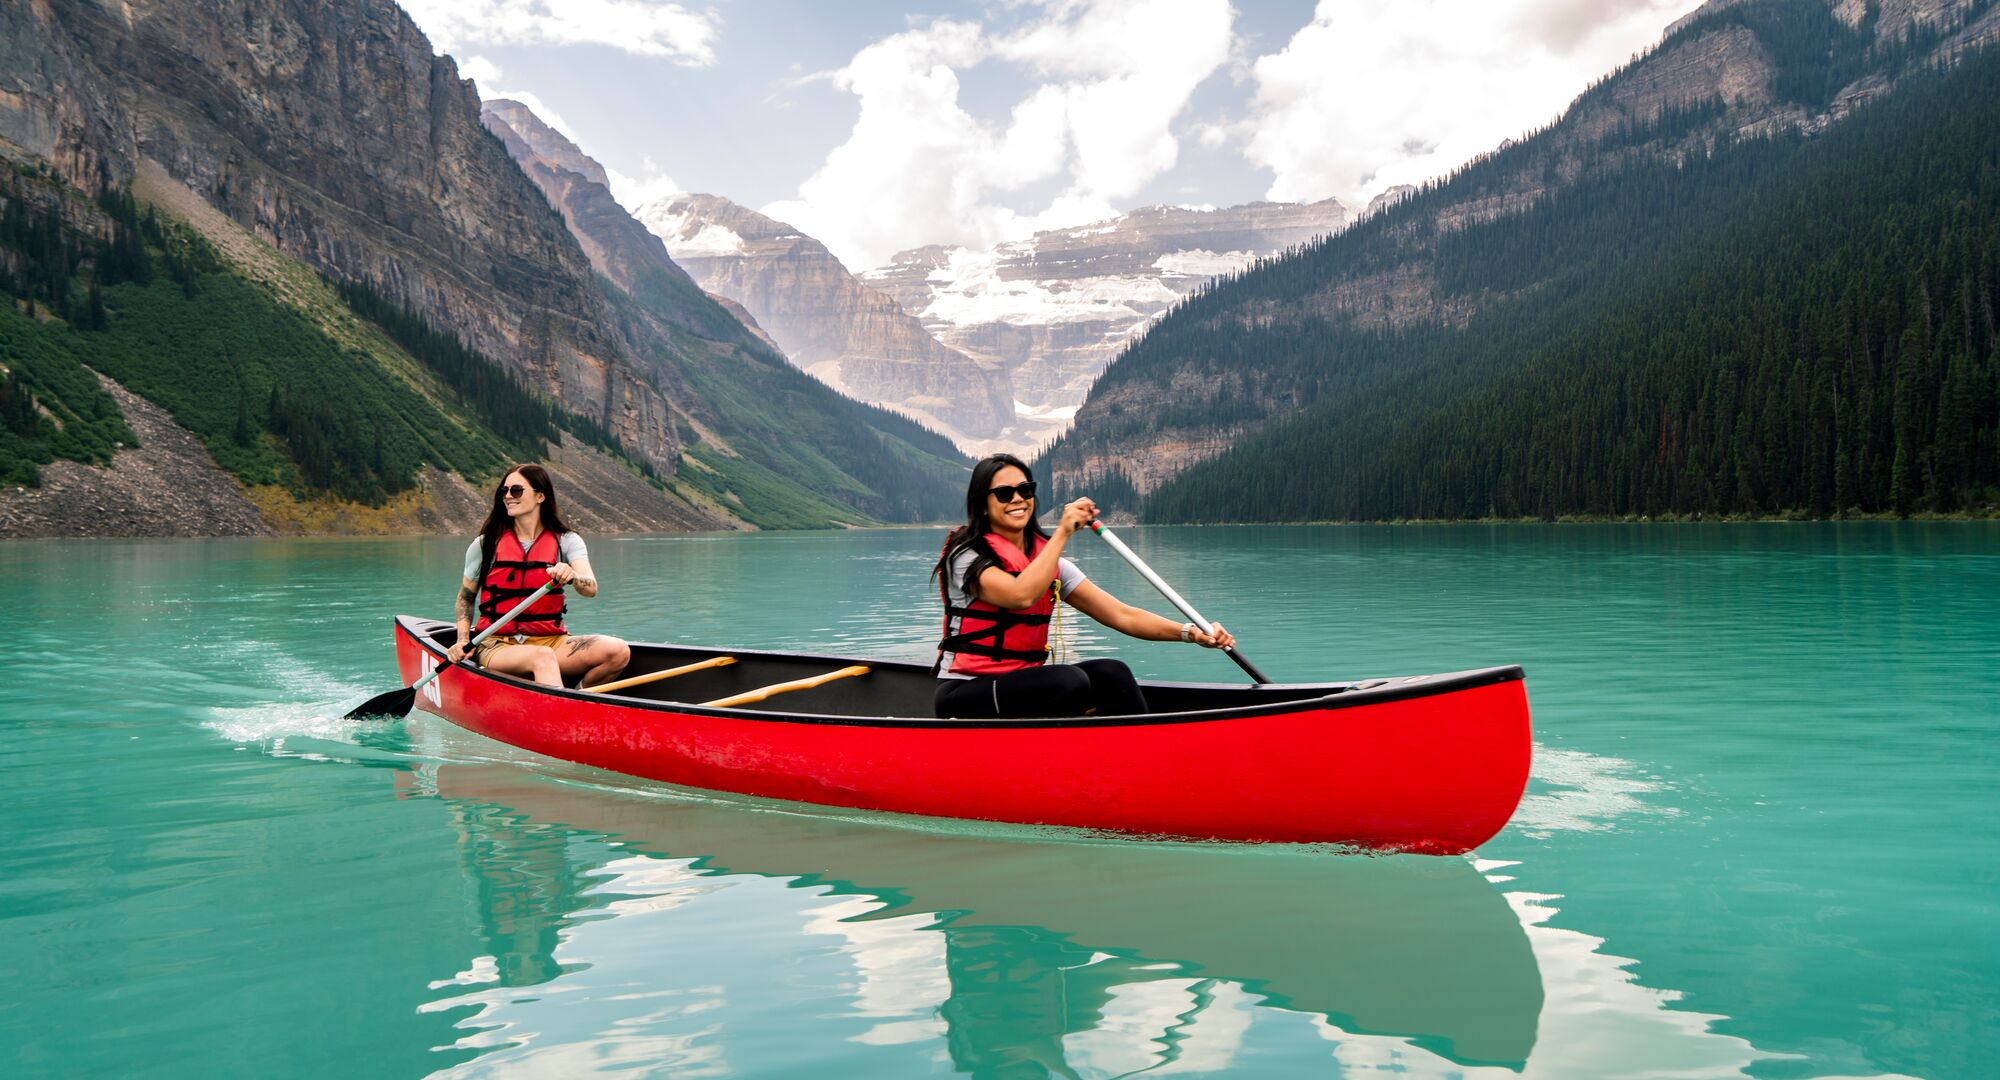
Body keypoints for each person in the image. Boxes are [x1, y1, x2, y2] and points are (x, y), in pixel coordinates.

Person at [932, 454, 1236, 719]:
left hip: (1024, 684)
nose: (1017, 499)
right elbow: (1020, 596)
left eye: (1025, 490)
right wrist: (1063, 532)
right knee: (1068, 681)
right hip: (964, 691)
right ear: (983, 504)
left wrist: (1190, 633)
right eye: (1003, 493)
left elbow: (1122, 615)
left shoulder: (1050, 563)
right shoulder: (965, 555)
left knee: (1112, 673)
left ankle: (1139, 755)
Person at [445, 464, 630, 688]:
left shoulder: (567, 541)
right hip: (497, 644)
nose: (508, 497)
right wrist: (463, 640)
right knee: (541, 656)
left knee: (618, 651)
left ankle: (579, 697)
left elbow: (590, 588)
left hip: (552, 641)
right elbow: (466, 597)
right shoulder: (485, 544)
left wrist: (572, 577)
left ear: (540, 496)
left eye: (517, 490)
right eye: (504, 491)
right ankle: (565, 714)